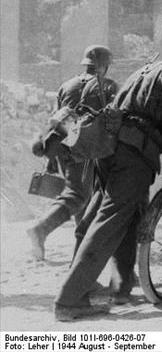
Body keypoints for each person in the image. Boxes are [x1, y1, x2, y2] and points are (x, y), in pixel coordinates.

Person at [54, 32, 162, 321]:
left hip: (110, 149)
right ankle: (70, 299)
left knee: (120, 217)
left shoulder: (146, 68)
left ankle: (120, 288)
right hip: (135, 154)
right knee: (110, 221)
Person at [27, 45, 118, 261]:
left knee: (82, 197)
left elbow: (56, 119)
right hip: (86, 150)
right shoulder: (108, 86)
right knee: (78, 195)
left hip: (63, 146)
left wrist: (51, 156)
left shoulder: (66, 85)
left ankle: (83, 250)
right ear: (104, 67)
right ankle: (41, 229)